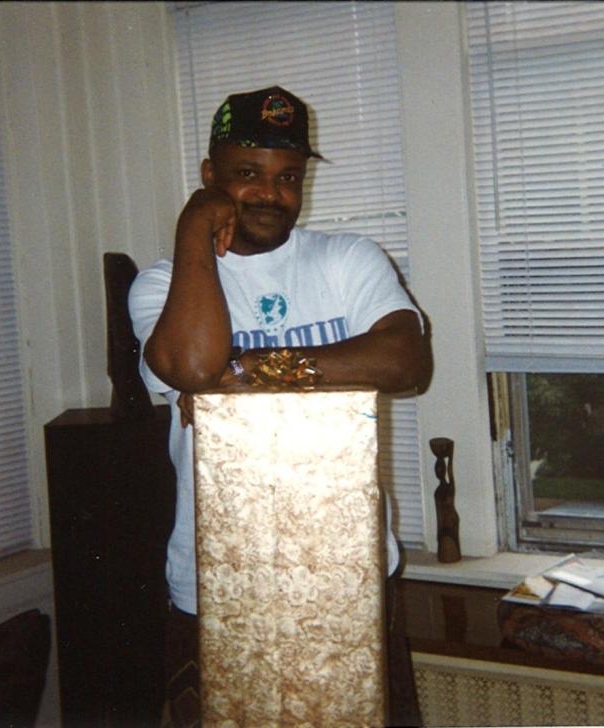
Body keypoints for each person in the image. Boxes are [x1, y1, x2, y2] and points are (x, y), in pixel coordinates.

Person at [128, 85, 428, 727]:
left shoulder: (348, 259)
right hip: (215, 582)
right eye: (247, 175)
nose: (271, 193)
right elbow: (187, 367)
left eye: (288, 176)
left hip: (350, 574)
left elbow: (405, 359)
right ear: (210, 178)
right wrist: (194, 226)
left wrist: (252, 366)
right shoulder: (162, 284)